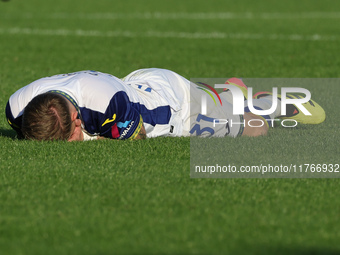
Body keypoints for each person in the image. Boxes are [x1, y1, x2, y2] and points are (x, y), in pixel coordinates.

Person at [5, 68, 325, 141]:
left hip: (173, 106)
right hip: (141, 84)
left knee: (256, 130)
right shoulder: (18, 105)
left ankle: (260, 101)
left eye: (70, 137)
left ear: (76, 118)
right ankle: (227, 93)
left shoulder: (106, 102)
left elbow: (137, 137)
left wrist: (90, 142)